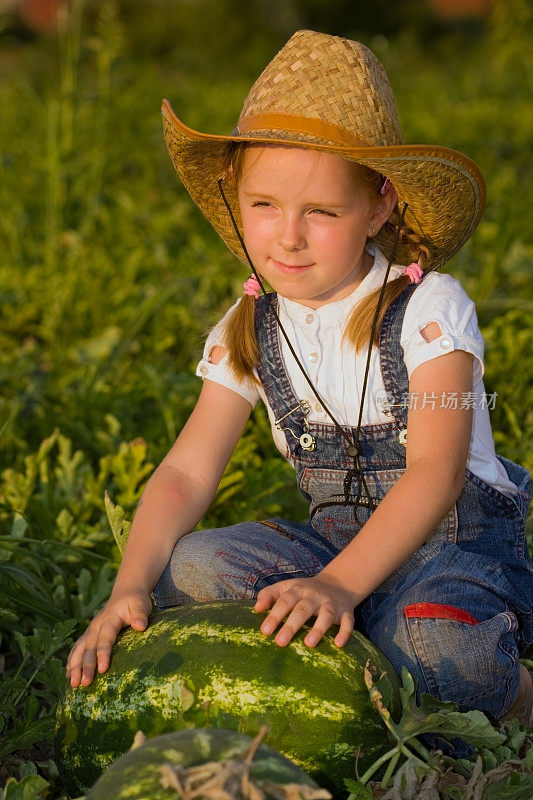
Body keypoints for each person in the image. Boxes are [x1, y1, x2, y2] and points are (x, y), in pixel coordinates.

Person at [66, 30, 533, 727]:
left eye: (320, 212)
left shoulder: (429, 309)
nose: (287, 236)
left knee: (440, 654)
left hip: (449, 551)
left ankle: (513, 692)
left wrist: (338, 585)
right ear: (236, 197)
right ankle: (359, 647)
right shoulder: (250, 322)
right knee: (190, 566)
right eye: (264, 205)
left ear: (378, 207)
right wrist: (128, 585)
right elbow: (187, 473)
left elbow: (435, 472)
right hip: (333, 548)